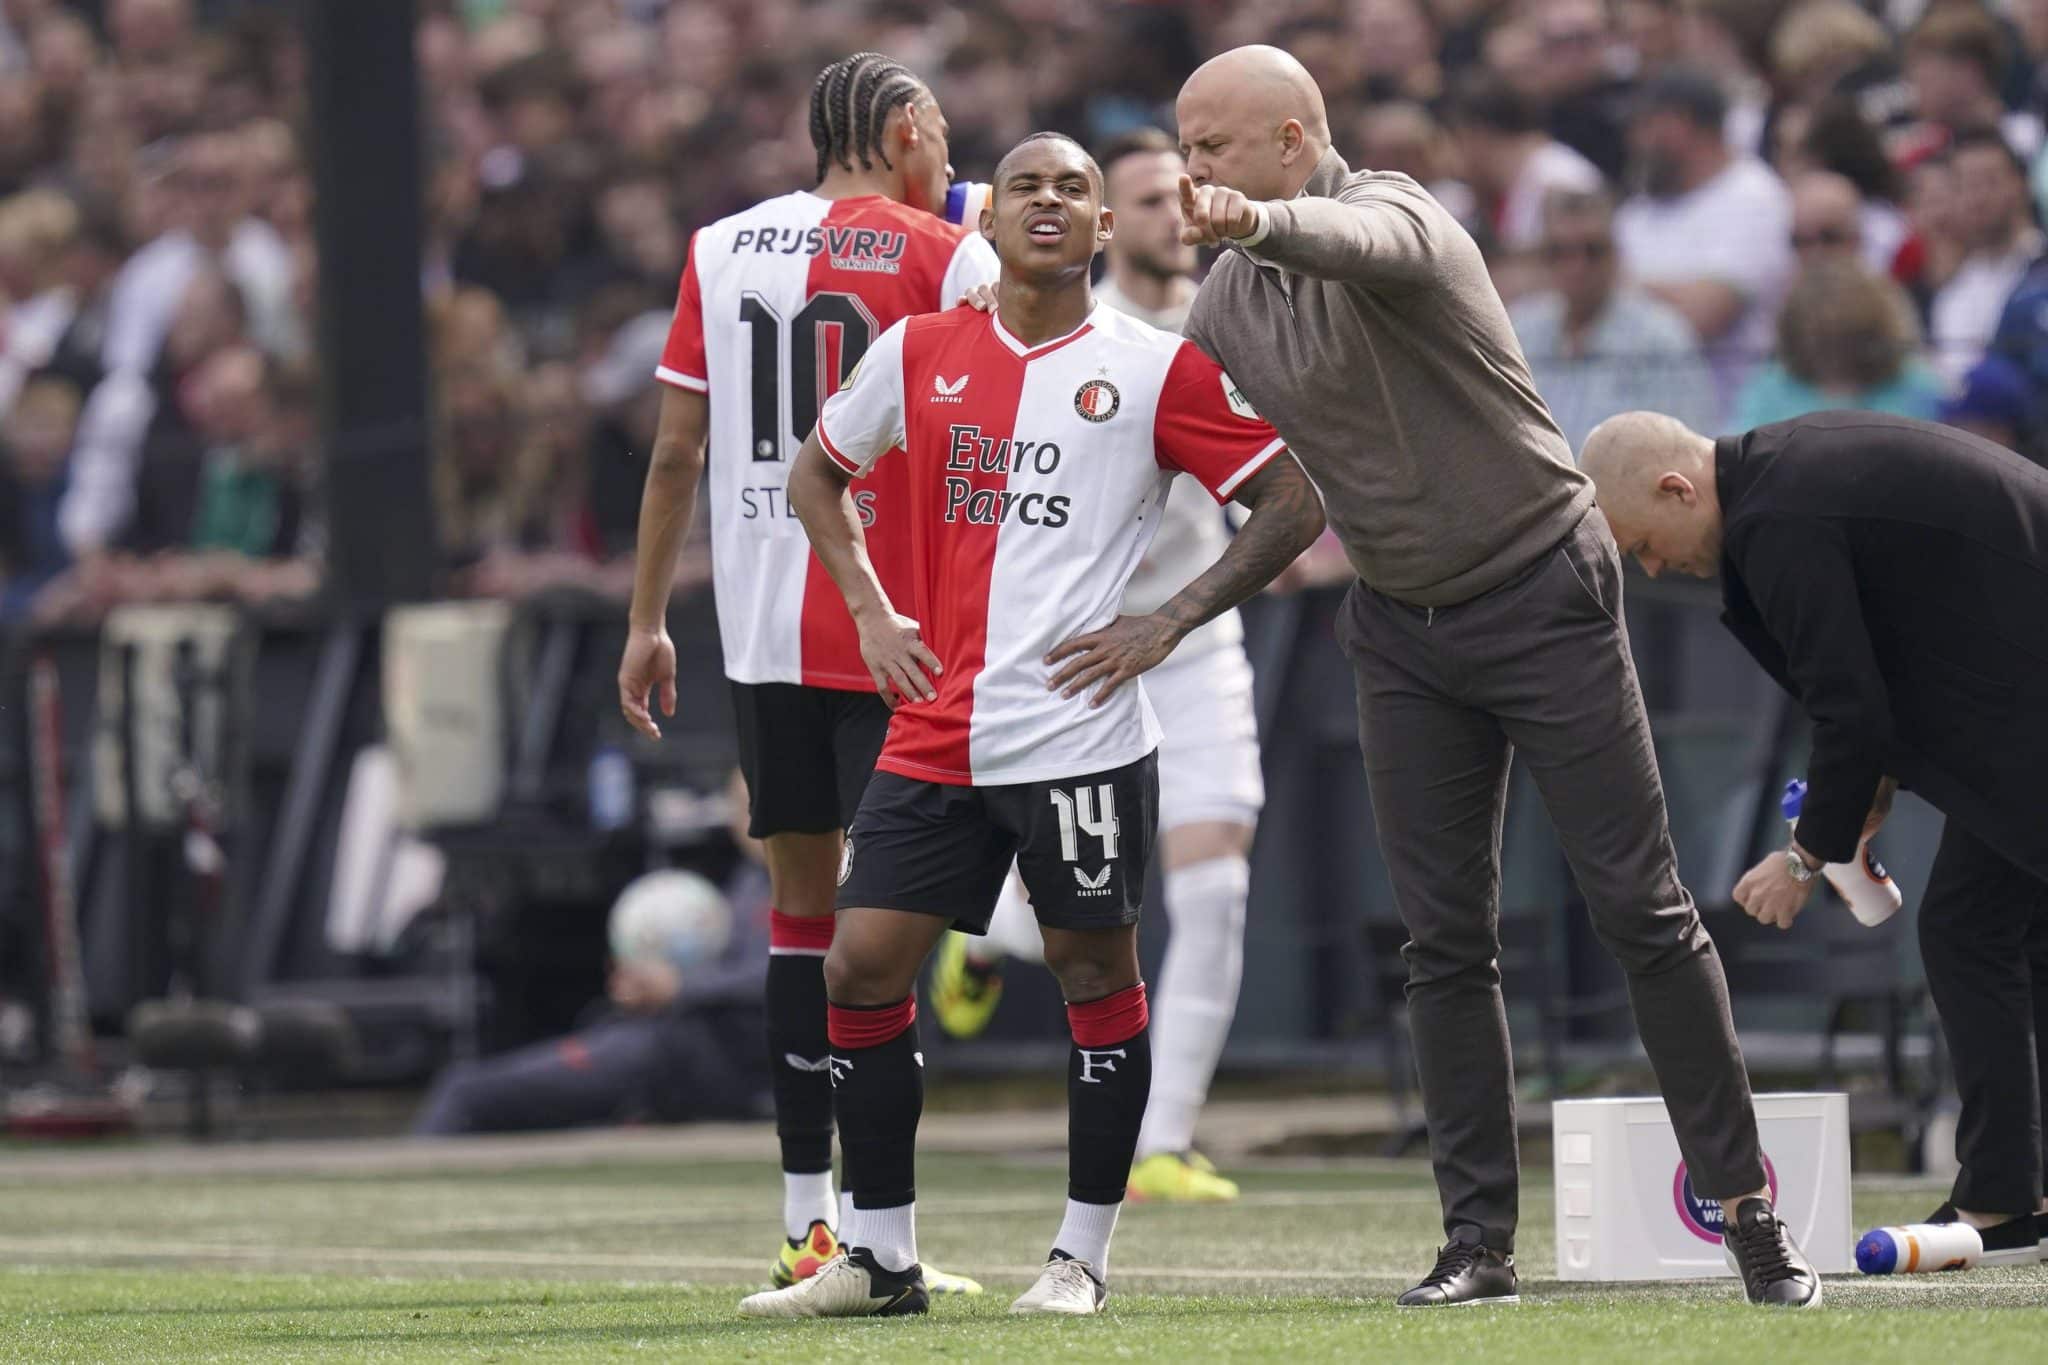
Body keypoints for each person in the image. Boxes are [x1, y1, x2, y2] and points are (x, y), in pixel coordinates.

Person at [1171, 44, 1817, 1308]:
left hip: (1540, 591)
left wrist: (1251, 221)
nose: (1193, 167)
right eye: (1183, 147)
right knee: (1442, 943)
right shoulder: (1225, 300)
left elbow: (1359, 245)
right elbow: (1159, 410)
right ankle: (1477, 1245)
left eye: (1213, 146)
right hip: (1398, 625)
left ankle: (1747, 1214)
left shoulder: (1399, 210)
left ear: (1293, 141)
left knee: (1639, 910)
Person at [738, 131, 1322, 1319]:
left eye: (1072, 189)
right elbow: (814, 475)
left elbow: (1290, 501)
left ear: (1101, 228)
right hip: (934, 727)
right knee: (858, 964)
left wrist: (1168, 619)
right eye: (1024, 187)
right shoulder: (918, 350)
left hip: (1080, 736)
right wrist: (871, 612)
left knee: (1091, 970)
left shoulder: (1154, 368)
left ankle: (1079, 1258)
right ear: (990, 222)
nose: (1047, 201)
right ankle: (879, 1259)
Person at [615, 52, 997, 1298]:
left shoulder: (718, 246)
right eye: (942, 137)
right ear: (903, 131)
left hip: (762, 629)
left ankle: (805, 1224)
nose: (950, 159)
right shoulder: (944, 253)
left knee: (800, 917)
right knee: (884, 940)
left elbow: (676, 455)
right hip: (897, 629)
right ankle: (888, 1233)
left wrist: (647, 621)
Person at [1581, 409, 2048, 1266]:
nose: (1651, 567)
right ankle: (2015, 1194)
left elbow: (1848, 706)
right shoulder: (1784, 475)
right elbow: (1896, 648)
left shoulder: (1774, 520)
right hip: (2020, 685)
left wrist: (1803, 859)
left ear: (1677, 489)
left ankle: (2006, 1200)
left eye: (1643, 543)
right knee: (2005, 930)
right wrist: (1872, 789)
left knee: (1970, 929)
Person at [928, 128, 1268, 1205]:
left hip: (1192, 638)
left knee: (1215, 884)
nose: (1177, 213)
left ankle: (1164, 1141)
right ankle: (992, 937)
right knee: (1081, 903)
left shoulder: (1230, 322)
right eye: (1149, 200)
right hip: (1075, 649)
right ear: (1105, 224)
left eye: (1184, 193)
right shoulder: (1070, 329)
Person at [1613, 67, 1793, 405]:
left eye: (1646, 125)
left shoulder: (1754, 196)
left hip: (1734, 417)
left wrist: (1618, 291)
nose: (1635, 140)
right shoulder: (1636, 212)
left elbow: (1705, 314)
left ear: (1681, 124)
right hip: (1643, 410)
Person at [1510, 189, 1717, 452]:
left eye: (1592, 251)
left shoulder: (1660, 338)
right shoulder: (1519, 332)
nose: (1575, 266)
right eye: (1558, 252)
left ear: (1616, 255)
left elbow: (1689, 449)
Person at [1730, 260, 1944, 427]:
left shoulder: (1917, 385)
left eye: (1848, 342)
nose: (1835, 358)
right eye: (1821, 344)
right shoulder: (1771, 387)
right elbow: (1741, 454)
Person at [1929, 130, 2042, 388]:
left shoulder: (2042, 270)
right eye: (1965, 186)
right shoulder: (1952, 296)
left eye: (1990, 181)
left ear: (2021, 184)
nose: (1978, 198)